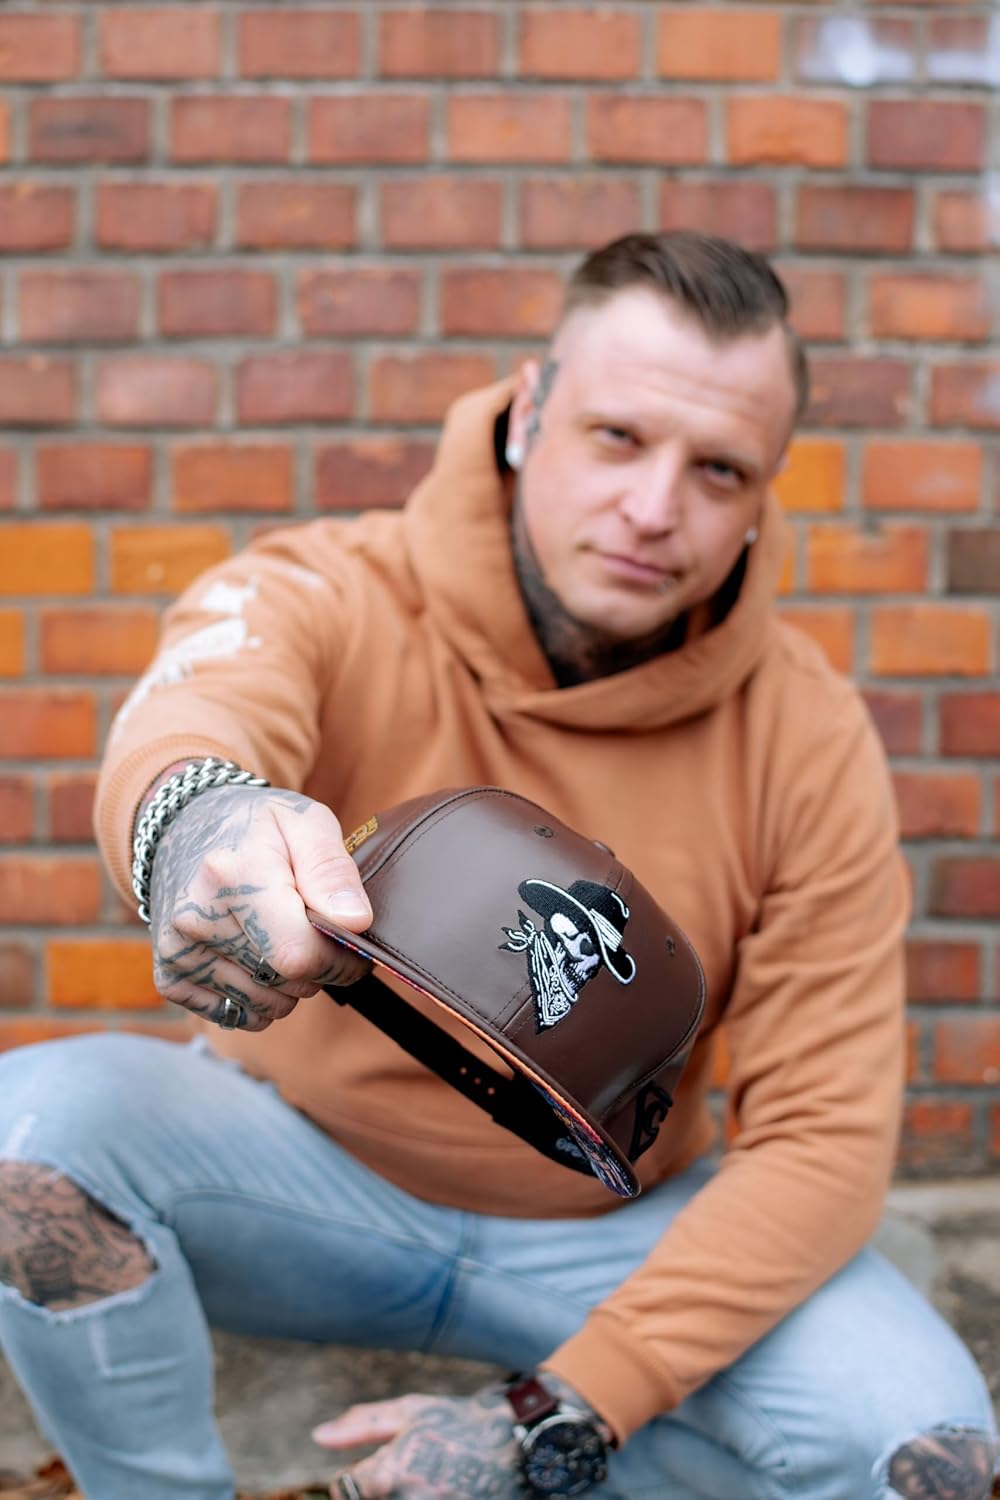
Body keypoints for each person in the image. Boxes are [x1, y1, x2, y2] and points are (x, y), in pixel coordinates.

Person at [0, 232, 996, 1500]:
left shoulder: (806, 735)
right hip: (298, 1182)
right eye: (617, 437)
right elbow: (201, 708)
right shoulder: (334, 589)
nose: (654, 509)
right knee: (30, 1137)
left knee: (925, 1453)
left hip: (614, 1232)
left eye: (719, 470)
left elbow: (824, 1138)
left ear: (764, 493)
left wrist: (560, 1415)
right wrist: (201, 821)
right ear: (530, 413)